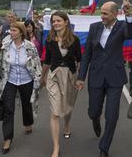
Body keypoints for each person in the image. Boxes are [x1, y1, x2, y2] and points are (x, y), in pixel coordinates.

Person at [76, 0, 132, 157]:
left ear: (115, 14)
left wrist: (129, 13)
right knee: (93, 111)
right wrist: (81, 77)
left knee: (112, 115)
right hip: (96, 76)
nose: (101, 16)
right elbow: (87, 54)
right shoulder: (94, 27)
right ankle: (95, 120)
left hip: (115, 78)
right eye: (101, 12)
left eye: (105, 13)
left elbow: (131, 33)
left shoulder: (123, 26)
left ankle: (104, 148)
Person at [0, 22, 42, 154]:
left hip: (26, 81)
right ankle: (7, 138)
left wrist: (39, 80)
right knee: (9, 109)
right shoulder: (5, 46)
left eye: (14, 30)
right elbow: (0, 63)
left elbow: (37, 64)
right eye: (10, 31)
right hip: (10, 81)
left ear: (21, 32)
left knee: (26, 104)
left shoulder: (30, 47)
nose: (11, 33)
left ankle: (28, 123)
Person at [40, 11, 81, 157]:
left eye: (58, 20)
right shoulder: (50, 39)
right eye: (53, 21)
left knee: (68, 108)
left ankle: (67, 124)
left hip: (70, 75)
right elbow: (47, 60)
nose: (55, 23)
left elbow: (80, 59)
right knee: (55, 112)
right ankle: (56, 147)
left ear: (66, 22)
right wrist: (43, 76)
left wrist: (80, 78)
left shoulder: (75, 39)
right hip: (54, 75)